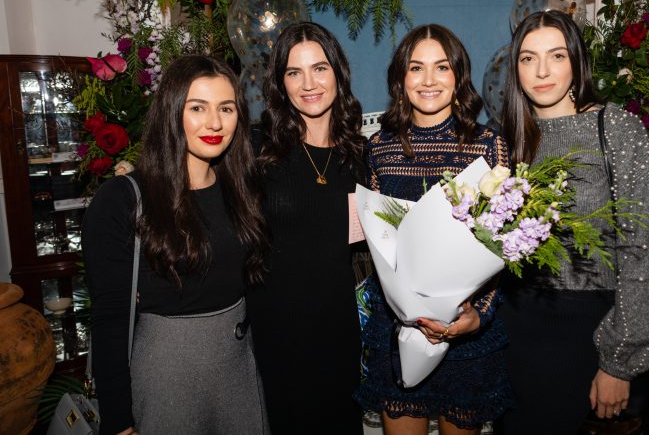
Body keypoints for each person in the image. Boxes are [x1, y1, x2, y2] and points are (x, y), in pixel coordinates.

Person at [495, 10, 649, 434]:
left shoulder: (615, 128)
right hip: (516, 325)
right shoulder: (508, 136)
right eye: (527, 58)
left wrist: (620, 362)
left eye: (556, 56)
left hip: (587, 327)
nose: (541, 71)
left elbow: (645, 248)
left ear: (576, 61)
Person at [83, 55, 269, 435]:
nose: (215, 123)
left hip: (238, 366)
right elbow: (110, 319)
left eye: (226, 108)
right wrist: (119, 421)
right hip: (167, 372)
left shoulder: (240, 188)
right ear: (171, 112)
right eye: (197, 108)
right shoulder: (123, 199)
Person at [354, 24, 513, 435]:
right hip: (399, 329)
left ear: (458, 77)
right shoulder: (379, 147)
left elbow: (503, 244)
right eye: (416, 68)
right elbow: (380, 241)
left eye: (441, 67)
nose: (428, 80)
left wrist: (477, 315)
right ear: (400, 79)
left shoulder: (488, 145)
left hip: (465, 336)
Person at [247, 21, 366, 434]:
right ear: (281, 83)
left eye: (319, 68)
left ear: (338, 72)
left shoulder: (359, 153)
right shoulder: (256, 148)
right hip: (274, 334)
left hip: (338, 332)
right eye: (293, 72)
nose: (308, 83)